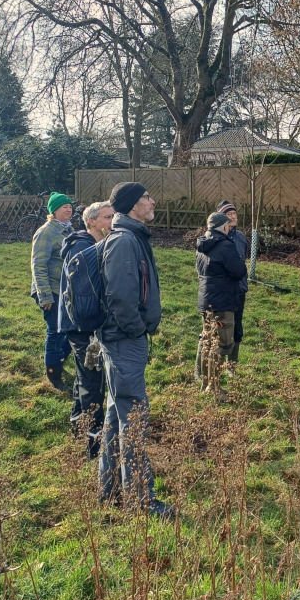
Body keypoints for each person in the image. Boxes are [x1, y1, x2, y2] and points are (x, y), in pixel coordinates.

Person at [96, 181, 175, 518]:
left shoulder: (133, 237)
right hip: (124, 340)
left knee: (117, 416)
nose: (153, 200)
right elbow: (120, 296)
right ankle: (141, 500)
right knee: (134, 418)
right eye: (146, 196)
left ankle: (110, 489)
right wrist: (136, 330)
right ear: (131, 205)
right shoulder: (125, 241)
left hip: (124, 341)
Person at [60, 201, 115, 458]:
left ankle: (76, 422)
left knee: (84, 375)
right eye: (106, 217)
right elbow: (83, 295)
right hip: (82, 325)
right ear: (91, 221)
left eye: (113, 217)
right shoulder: (83, 248)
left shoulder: (92, 245)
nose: (111, 222)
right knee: (93, 380)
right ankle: (94, 441)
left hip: (83, 323)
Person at [195, 211, 247, 400]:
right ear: (223, 227)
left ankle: (205, 384)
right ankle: (215, 388)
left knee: (208, 342)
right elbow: (238, 270)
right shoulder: (225, 245)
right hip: (223, 301)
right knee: (223, 343)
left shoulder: (202, 245)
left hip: (206, 300)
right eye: (227, 224)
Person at [30, 191, 75, 391]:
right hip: (51, 290)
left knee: (70, 331)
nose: (69, 208)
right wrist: (44, 295)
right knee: (55, 332)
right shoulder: (46, 232)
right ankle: (53, 375)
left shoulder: (69, 229)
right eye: (64, 206)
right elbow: (38, 265)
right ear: (53, 211)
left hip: (66, 290)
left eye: (70, 206)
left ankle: (58, 363)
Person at [215, 200, 251, 361]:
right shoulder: (217, 238)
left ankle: (232, 363)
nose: (232, 217)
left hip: (239, 289)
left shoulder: (241, 238)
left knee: (237, 325)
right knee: (220, 326)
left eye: (234, 213)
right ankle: (215, 362)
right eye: (228, 214)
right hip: (222, 291)